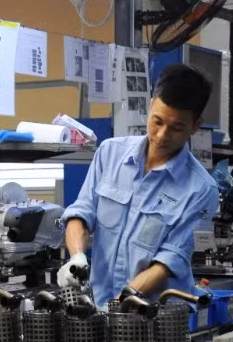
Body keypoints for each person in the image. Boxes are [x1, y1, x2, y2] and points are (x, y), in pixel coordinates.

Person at [57, 64, 220, 308]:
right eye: (158, 121)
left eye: (177, 128)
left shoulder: (201, 189)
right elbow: (82, 213)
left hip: (156, 319)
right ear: (151, 104)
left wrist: (119, 305)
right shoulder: (110, 153)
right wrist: (77, 257)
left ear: (196, 126)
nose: (163, 135)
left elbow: (168, 262)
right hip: (103, 304)